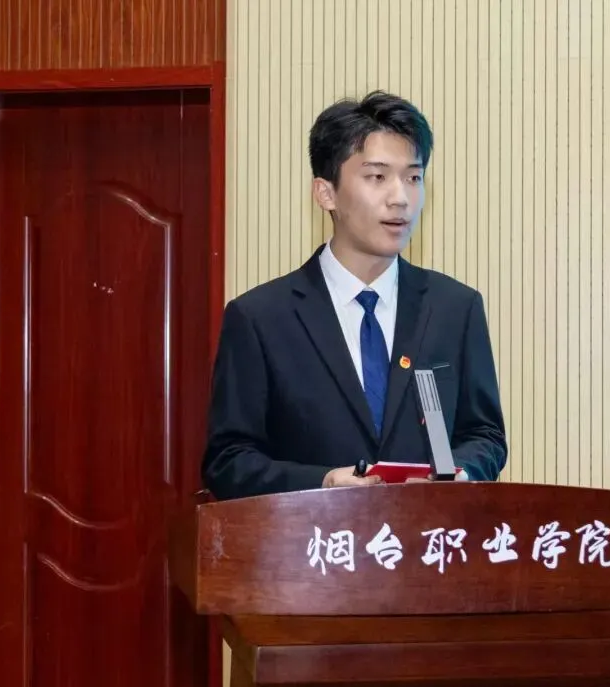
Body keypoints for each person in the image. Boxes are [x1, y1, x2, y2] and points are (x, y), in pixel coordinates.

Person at [201, 90, 507, 499]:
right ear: (325, 192)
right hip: (311, 537)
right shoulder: (260, 317)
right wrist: (323, 483)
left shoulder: (455, 307)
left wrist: (460, 474)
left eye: (413, 178)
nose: (400, 198)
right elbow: (228, 460)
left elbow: (484, 435)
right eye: (377, 177)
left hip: (427, 535)